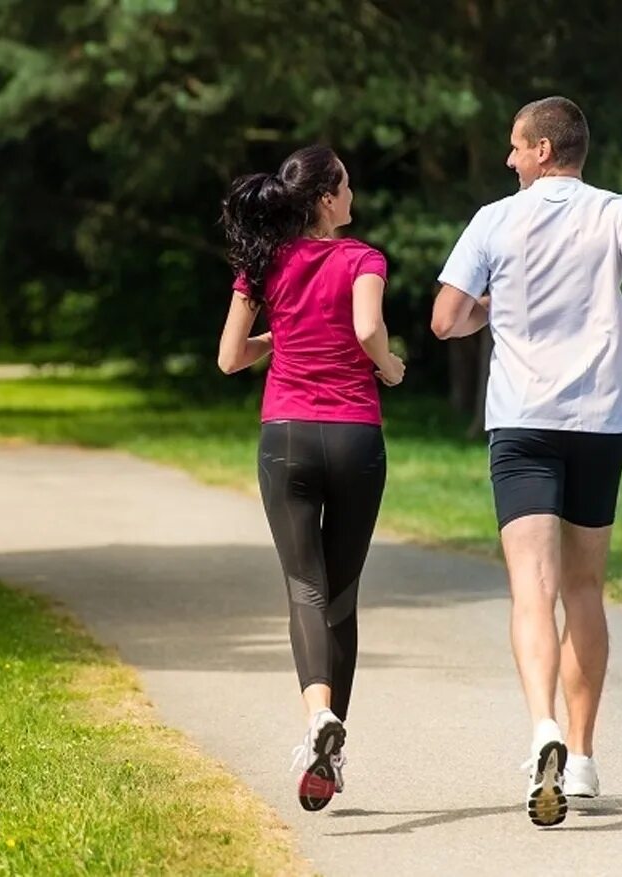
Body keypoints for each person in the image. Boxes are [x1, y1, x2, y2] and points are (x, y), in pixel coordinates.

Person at [430, 96, 622, 827]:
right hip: (599, 422)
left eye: (515, 146)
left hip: (523, 426)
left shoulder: (494, 220)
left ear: (544, 150)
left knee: (531, 590)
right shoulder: (618, 209)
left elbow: (446, 318)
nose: (508, 159)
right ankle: (585, 754)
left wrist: (491, 309)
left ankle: (542, 726)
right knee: (586, 588)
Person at [218, 144, 405, 812]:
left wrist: (281, 338)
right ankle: (329, 744)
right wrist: (388, 366)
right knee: (342, 596)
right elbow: (365, 327)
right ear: (326, 196)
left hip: (287, 440)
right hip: (356, 438)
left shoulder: (262, 264)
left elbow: (229, 357)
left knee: (304, 588)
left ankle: (318, 718)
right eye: (347, 186)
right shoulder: (363, 259)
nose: (353, 197)